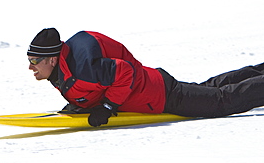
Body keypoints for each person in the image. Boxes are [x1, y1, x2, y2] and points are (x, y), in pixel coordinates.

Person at [27, 28, 264, 127]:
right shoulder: (68, 66)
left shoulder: (81, 69)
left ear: (53, 59)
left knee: (221, 101)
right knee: (210, 89)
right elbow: (95, 84)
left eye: (35, 61)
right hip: (155, 84)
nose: (31, 67)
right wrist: (82, 104)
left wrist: (108, 107)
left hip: (159, 96)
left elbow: (124, 72)